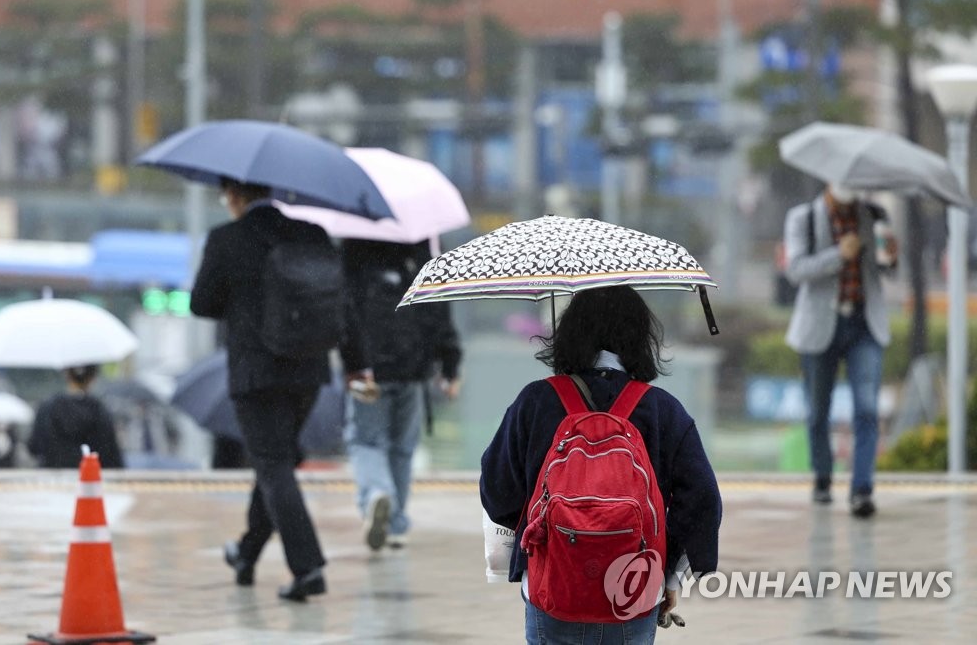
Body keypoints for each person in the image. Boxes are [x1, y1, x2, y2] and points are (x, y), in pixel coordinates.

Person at [480, 286, 722, 644]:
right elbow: (702, 501)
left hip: (552, 592)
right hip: (634, 593)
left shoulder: (535, 402)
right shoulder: (662, 410)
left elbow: (497, 491)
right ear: (639, 336)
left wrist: (538, 537)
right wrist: (670, 577)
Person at [190, 177, 372, 602]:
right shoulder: (311, 234)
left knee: (273, 466)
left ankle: (307, 568)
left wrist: (237, 292)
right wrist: (355, 364)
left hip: (255, 375)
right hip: (308, 370)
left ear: (234, 196)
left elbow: (202, 303)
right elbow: (339, 301)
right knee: (279, 463)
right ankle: (247, 551)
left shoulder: (225, 238)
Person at [783, 183, 898, 518]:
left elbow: (889, 269)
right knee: (818, 410)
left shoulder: (875, 215)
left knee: (866, 407)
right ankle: (822, 478)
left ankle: (862, 489)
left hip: (865, 324)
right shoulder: (803, 218)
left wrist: (890, 255)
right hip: (821, 326)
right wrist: (839, 254)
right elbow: (796, 269)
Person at [340, 239, 462, 551]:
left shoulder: (354, 253)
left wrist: (350, 361)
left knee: (367, 441)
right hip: (413, 367)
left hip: (369, 369)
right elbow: (439, 310)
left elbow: (344, 311)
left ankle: (377, 493)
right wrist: (449, 365)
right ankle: (395, 525)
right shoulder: (420, 253)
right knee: (402, 447)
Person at [27, 364, 124, 469]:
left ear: (66, 374)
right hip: (90, 478)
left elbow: (34, 447)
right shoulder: (99, 410)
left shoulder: (48, 407)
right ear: (93, 377)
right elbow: (111, 454)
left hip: (53, 478)